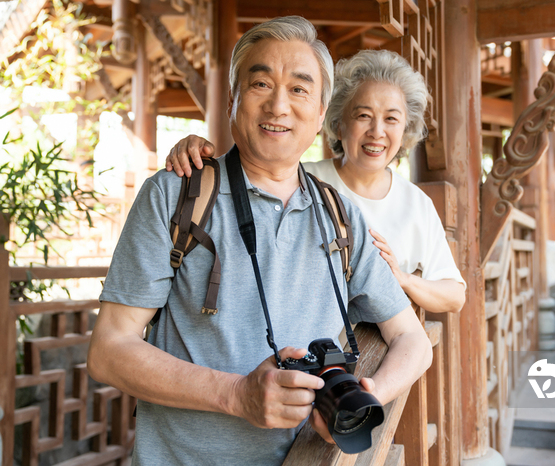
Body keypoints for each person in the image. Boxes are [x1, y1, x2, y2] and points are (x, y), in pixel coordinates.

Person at [87, 16, 432, 466]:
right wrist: (236, 395)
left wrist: (367, 394)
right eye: (261, 84)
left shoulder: (341, 216)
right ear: (233, 98)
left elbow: (413, 340)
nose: (279, 106)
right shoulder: (176, 196)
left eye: (300, 88)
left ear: (323, 109)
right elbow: (109, 351)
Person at [167, 49, 466, 315]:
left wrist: (402, 279)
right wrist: (194, 150)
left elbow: (454, 296)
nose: (377, 132)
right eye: (363, 115)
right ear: (336, 122)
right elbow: (237, 176)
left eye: (391, 119)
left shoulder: (416, 203)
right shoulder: (298, 180)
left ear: (406, 128)